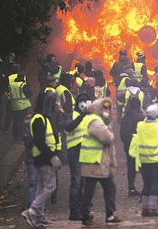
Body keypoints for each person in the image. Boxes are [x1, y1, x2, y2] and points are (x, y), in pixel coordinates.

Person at [79, 97, 121, 227]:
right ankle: (86, 216)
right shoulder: (95, 121)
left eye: (109, 108)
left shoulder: (100, 120)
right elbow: (107, 137)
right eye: (105, 108)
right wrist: (109, 129)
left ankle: (110, 214)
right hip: (93, 162)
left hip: (101, 162)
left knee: (109, 188)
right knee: (89, 192)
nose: (107, 111)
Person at [21, 92, 61, 227]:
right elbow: (39, 140)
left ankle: (39, 216)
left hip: (42, 157)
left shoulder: (43, 117)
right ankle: (32, 211)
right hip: (43, 158)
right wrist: (52, 156)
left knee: (41, 186)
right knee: (51, 186)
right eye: (52, 102)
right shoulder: (39, 119)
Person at [131, 104, 158, 217]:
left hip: (143, 158)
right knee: (155, 183)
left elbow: (143, 124)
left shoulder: (140, 125)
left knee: (146, 183)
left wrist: (147, 115)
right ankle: (152, 207)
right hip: (157, 158)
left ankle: (145, 208)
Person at [64, 93, 91, 221]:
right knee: (77, 181)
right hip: (74, 151)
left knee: (84, 182)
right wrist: (81, 116)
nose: (83, 103)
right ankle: (74, 211)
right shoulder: (71, 114)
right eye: (81, 101)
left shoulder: (89, 117)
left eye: (85, 101)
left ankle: (81, 208)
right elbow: (68, 127)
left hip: (86, 151)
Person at [120, 97, 144, 196]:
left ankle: (131, 187)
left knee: (131, 167)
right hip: (140, 144)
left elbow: (122, 133)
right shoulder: (141, 117)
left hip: (129, 144)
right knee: (143, 166)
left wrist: (126, 142)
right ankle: (145, 187)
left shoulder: (125, 117)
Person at [8, 71, 32, 140]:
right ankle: (20, 136)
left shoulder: (11, 85)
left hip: (14, 106)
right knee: (21, 121)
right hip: (23, 106)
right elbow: (30, 94)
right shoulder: (23, 85)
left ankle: (15, 136)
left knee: (15, 121)